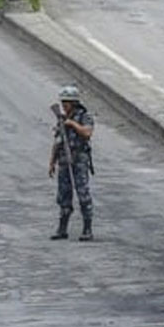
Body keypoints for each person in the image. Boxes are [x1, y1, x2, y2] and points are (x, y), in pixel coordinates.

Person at [48, 85, 94, 242]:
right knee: (63, 195)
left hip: (79, 160)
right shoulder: (62, 119)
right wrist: (52, 162)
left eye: (66, 102)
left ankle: (87, 228)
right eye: (63, 102)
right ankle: (62, 228)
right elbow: (57, 141)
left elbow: (87, 133)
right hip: (64, 161)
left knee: (83, 194)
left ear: (74, 103)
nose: (64, 105)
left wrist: (72, 124)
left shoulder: (84, 117)